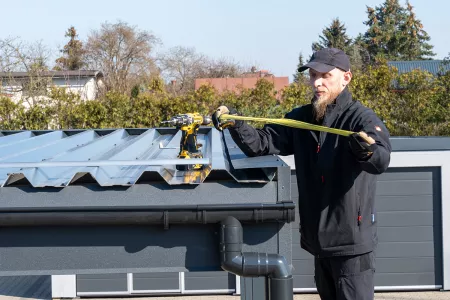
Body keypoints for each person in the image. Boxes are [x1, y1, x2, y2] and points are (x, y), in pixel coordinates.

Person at [212, 47, 392, 300]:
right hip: (319, 243)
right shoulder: (302, 118)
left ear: (346, 78)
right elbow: (262, 143)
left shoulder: (360, 119)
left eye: (325, 76)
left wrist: (367, 151)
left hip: (352, 247)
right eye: (312, 75)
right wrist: (236, 124)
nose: (317, 82)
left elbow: (381, 160)